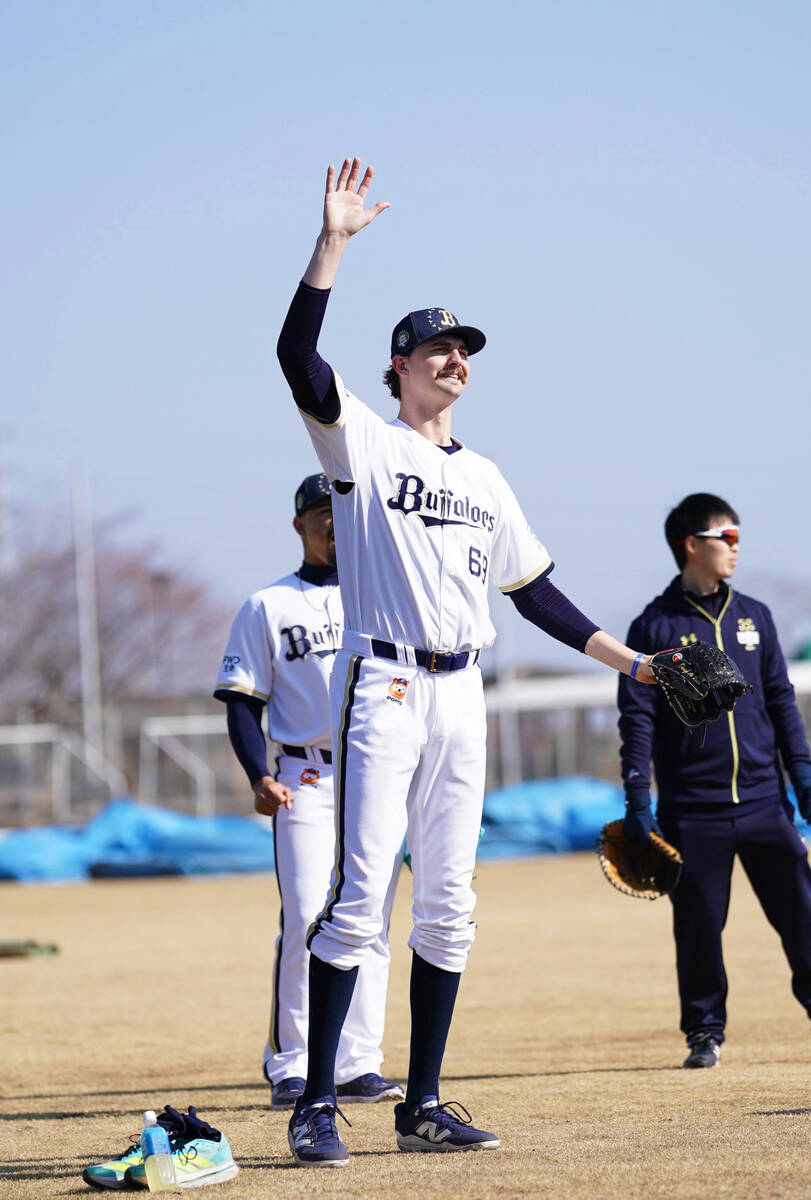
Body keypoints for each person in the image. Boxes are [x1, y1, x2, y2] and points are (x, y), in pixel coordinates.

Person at [276, 156, 660, 1167]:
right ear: (398, 367)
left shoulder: (484, 476)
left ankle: (423, 1103)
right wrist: (334, 245)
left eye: (463, 351)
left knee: (450, 902)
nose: (455, 360)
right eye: (438, 349)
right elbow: (296, 360)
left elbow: (530, 588)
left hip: (463, 695)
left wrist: (630, 661)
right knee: (361, 894)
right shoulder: (362, 444)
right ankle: (316, 1098)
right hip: (387, 683)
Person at [213, 473, 403, 1110]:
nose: (333, 520)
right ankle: (291, 1062)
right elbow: (242, 702)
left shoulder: (385, 599)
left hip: (375, 775)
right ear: (300, 524)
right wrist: (255, 773)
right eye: (323, 511)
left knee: (371, 917)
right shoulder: (268, 605)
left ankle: (358, 1062)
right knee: (304, 914)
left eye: (342, 509)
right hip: (306, 779)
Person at [618, 492, 811, 1068]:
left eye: (737, 535)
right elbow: (638, 718)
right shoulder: (654, 625)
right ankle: (705, 1032)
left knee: (802, 915)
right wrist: (638, 798)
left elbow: (780, 699)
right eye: (725, 536)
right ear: (691, 545)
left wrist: (801, 774)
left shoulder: (756, 615)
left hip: (762, 801)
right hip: (693, 810)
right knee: (699, 926)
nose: (735, 546)